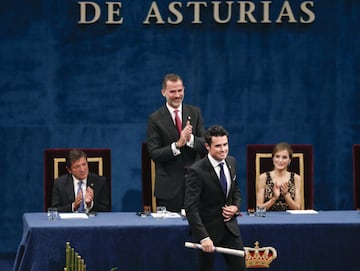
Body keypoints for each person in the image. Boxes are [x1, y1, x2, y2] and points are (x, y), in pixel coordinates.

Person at [185, 125, 246, 271]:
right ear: (207, 146)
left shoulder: (231, 162)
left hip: (231, 230)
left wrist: (236, 206)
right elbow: (191, 208)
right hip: (208, 232)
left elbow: (235, 190)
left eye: (225, 144)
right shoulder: (196, 171)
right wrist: (203, 237)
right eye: (218, 146)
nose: (223, 149)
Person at [146, 73, 206, 212]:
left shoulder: (195, 112)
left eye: (180, 90)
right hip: (169, 189)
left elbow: (205, 145)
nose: (177, 95)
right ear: (163, 92)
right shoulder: (155, 119)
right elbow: (154, 153)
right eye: (173, 91)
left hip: (195, 186)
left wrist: (190, 139)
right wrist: (177, 145)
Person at [256, 142, 301, 211]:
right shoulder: (263, 177)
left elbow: (297, 208)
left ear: (289, 160)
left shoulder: (296, 178)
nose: (280, 160)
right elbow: (259, 209)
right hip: (268, 219)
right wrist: (274, 198)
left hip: (290, 219)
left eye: (284, 157)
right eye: (277, 156)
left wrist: (286, 195)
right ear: (273, 159)